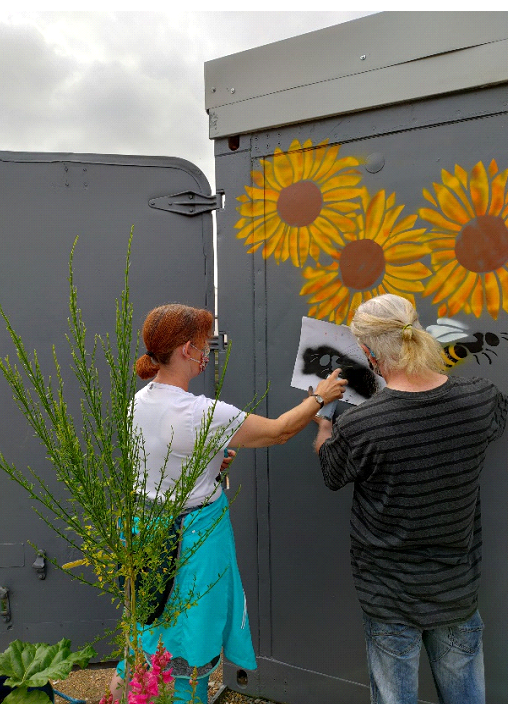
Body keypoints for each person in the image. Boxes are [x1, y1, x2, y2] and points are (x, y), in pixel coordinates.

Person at [110, 303, 347, 703]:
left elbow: (161, 462)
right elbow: (278, 432)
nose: (206, 354)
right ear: (187, 349)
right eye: (203, 346)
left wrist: (210, 465)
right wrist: (319, 398)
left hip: (144, 532)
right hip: (190, 543)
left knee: (147, 628)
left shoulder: (140, 400)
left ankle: (126, 694)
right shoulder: (200, 413)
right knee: (189, 637)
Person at [314, 293, 508, 704]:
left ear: (367, 352)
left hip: (389, 596)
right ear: (415, 329)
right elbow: (494, 420)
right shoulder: (480, 397)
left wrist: (323, 427)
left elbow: (332, 473)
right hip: (456, 589)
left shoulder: (361, 423)